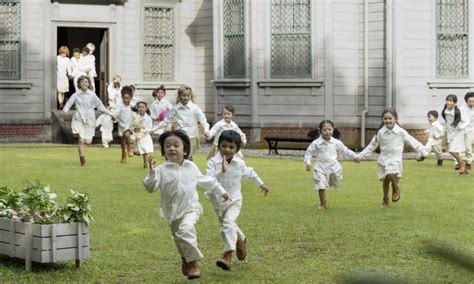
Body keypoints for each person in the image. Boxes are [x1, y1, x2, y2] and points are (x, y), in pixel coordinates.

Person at [142, 130, 230, 280]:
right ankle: (186, 258)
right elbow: (150, 188)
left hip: (190, 207)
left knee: (186, 229)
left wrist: (221, 191)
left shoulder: (191, 167)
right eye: (167, 146)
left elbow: (206, 181)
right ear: (163, 151)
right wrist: (151, 173)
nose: (172, 148)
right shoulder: (160, 170)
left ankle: (194, 262)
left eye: (176, 145)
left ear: (185, 150)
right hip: (172, 212)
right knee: (179, 238)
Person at [205, 130, 269, 271]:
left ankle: (227, 255)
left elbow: (249, 173)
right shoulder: (212, 163)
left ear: (237, 150)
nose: (227, 149)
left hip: (234, 200)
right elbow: (210, 182)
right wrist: (221, 171)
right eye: (224, 146)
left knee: (228, 223)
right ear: (219, 146)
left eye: (231, 147)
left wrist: (261, 184)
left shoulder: (239, 163)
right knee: (227, 225)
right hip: (218, 202)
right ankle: (241, 238)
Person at [357, 109, 428, 208]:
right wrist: (360, 156)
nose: (388, 121)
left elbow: (413, 141)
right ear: (383, 120)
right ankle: (385, 199)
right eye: (385, 118)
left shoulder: (400, 132)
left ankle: (396, 188)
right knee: (386, 181)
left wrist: (423, 152)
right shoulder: (380, 133)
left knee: (390, 173)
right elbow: (371, 146)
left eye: (390, 118)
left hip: (395, 160)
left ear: (396, 119)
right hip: (383, 159)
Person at [304, 120, 359, 209]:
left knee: (333, 183)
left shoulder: (336, 142)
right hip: (320, 168)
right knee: (321, 185)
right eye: (324, 130)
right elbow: (308, 153)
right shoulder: (316, 143)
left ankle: (331, 184)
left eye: (329, 129)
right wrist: (308, 163)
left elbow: (345, 151)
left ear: (333, 130)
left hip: (334, 168)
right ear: (320, 131)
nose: (327, 132)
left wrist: (355, 157)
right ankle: (323, 203)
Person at [63, 76, 115, 166]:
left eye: (86, 82)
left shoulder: (92, 95)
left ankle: (82, 150)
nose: (84, 83)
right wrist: (65, 112)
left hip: (90, 120)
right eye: (82, 82)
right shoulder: (76, 95)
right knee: (81, 140)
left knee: (88, 141)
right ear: (79, 84)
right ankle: (82, 158)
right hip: (79, 119)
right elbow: (68, 104)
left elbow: (100, 106)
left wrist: (111, 114)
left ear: (89, 84)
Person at [152, 85, 210, 160]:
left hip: (191, 135)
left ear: (190, 96)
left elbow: (203, 121)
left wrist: (206, 130)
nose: (186, 98)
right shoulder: (175, 108)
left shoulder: (195, 108)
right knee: (181, 155)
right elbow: (166, 121)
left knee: (188, 156)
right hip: (180, 135)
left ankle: (190, 170)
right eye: (183, 95)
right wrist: (153, 129)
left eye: (188, 96)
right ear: (180, 96)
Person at [441, 94, 470, 174]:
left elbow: (467, 121)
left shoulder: (459, 111)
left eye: (451, 101)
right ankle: (463, 169)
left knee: (451, 150)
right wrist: (443, 132)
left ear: (455, 103)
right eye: (447, 100)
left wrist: (461, 127)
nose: (448, 102)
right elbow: (447, 123)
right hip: (451, 134)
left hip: (458, 133)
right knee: (455, 151)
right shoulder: (445, 111)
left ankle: (462, 163)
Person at [113, 86, 135, 163]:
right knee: (122, 142)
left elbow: (137, 112)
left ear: (131, 98)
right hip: (122, 124)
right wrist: (114, 116)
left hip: (130, 125)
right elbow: (116, 112)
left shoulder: (133, 105)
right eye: (124, 98)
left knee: (127, 134)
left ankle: (129, 148)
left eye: (128, 98)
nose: (126, 100)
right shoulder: (119, 105)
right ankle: (123, 154)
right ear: (122, 98)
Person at [131, 101, 154, 168]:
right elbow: (131, 126)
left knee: (145, 151)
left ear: (146, 108)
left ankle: (146, 164)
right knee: (138, 152)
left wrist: (141, 130)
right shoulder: (135, 117)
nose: (141, 108)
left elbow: (149, 128)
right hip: (136, 136)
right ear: (137, 108)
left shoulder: (148, 118)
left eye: (143, 107)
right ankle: (135, 152)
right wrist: (134, 130)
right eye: (139, 107)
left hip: (145, 137)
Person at [460, 92, 474, 170]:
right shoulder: (462, 109)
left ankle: (468, 162)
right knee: (467, 148)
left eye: (473, 101)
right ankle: (468, 163)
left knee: (469, 148)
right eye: (470, 102)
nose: (472, 103)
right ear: (466, 101)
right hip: (465, 131)